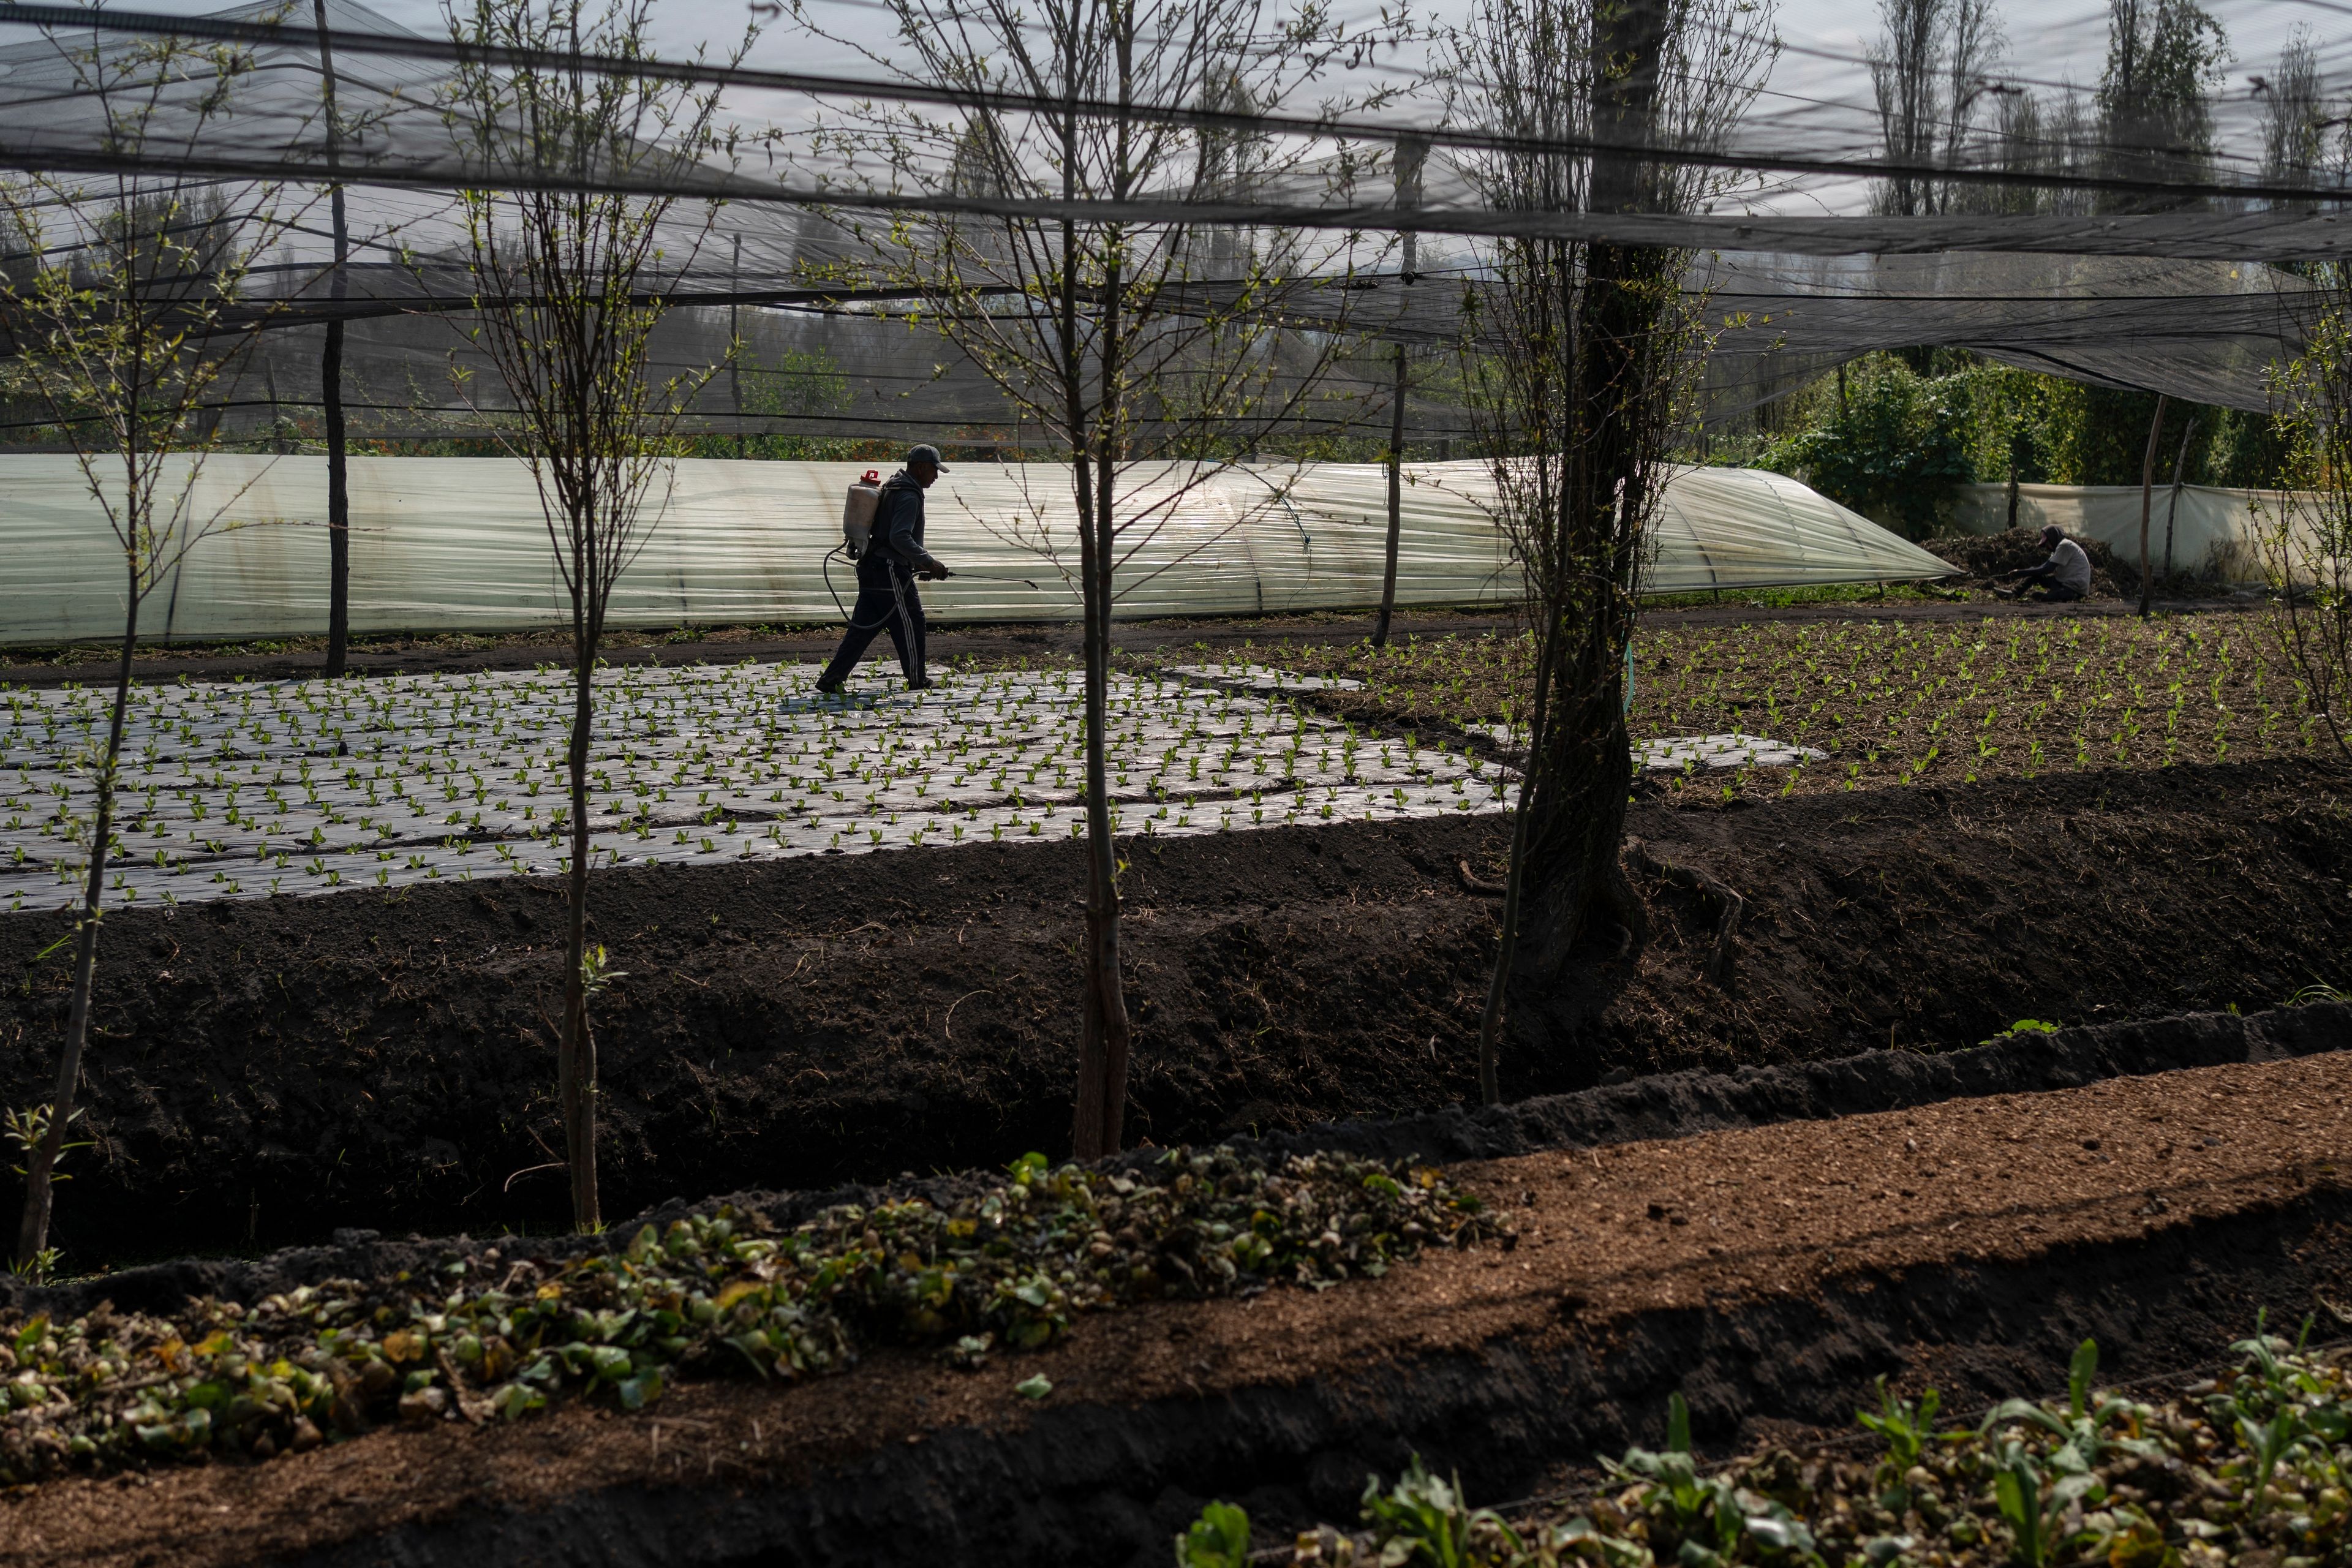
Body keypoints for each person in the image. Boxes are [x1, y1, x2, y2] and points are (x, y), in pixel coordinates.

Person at [816, 445, 955, 693]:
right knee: (912, 622)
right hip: (889, 570)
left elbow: (887, 535)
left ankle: (831, 679)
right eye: (934, 471)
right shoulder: (909, 495)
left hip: (873, 567)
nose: (935, 477)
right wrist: (929, 562)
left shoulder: (893, 487)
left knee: (862, 629)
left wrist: (916, 565)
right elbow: (900, 537)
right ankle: (918, 681)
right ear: (922, 467)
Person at [1995, 524, 2092, 603]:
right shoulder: (2060, 548)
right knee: (2035, 576)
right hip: (2064, 582)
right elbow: (2043, 567)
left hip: (2075, 588)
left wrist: (2021, 573)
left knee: (2046, 598)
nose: (2047, 547)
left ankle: (2067, 596)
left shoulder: (2065, 545)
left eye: (2047, 543)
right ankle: (2014, 593)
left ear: (2053, 537)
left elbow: (2047, 569)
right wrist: (2024, 572)